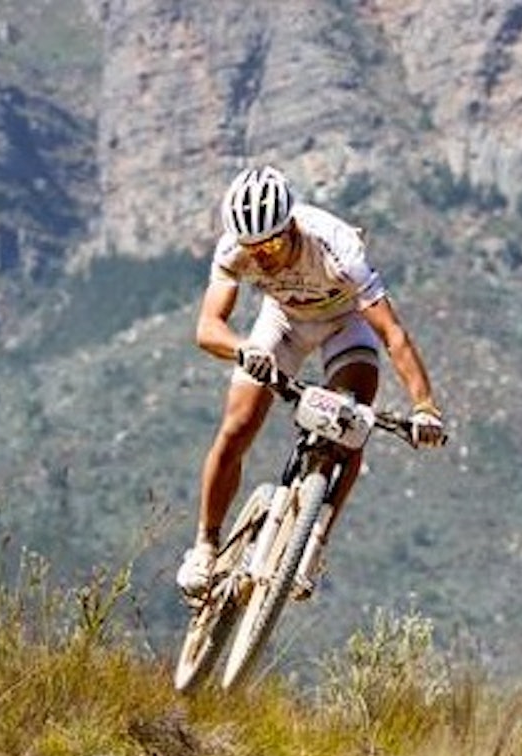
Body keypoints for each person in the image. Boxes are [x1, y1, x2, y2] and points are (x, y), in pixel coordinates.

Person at [176, 165, 447, 603]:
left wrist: (424, 406)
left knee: (350, 426)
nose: (262, 256)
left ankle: (313, 542)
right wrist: (243, 349)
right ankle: (205, 545)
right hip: (281, 323)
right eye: (253, 248)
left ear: (292, 225)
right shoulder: (234, 249)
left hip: (344, 325)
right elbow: (208, 327)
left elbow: (392, 333)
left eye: (273, 243)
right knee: (237, 427)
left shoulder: (337, 245)